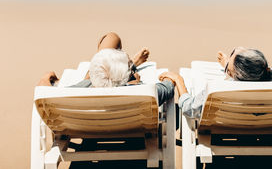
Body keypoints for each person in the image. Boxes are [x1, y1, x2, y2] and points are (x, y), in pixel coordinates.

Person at [37, 32, 175, 106]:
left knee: (110, 37)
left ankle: (127, 63)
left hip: (87, 123)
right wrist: (138, 83)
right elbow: (170, 84)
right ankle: (131, 63)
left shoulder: (77, 91)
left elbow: (42, 91)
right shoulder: (143, 92)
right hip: (131, 123)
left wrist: (47, 76)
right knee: (113, 38)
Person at [159, 47, 272, 119]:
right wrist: (229, 65)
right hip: (271, 129)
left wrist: (178, 80)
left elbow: (189, 108)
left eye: (228, 71)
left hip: (231, 133)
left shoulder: (222, 88)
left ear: (235, 78)